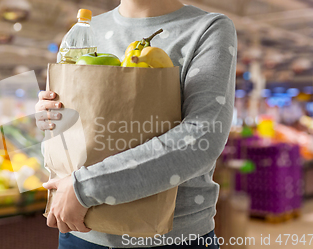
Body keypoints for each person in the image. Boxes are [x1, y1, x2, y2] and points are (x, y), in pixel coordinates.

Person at [36, 0, 237, 248]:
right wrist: (50, 116)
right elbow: (65, 132)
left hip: (172, 238)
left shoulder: (207, 28)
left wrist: (85, 187)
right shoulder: (84, 30)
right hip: (79, 232)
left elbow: (202, 138)